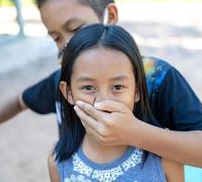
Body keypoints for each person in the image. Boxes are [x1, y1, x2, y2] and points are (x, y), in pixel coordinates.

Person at [0, 0, 202, 170]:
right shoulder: (64, 81)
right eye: (56, 37)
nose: (66, 45)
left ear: (110, 16)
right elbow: (19, 100)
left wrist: (136, 133)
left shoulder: (156, 77)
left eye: (75, 29)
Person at [48, 23, 184, 182]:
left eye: (118, 87)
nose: (103, 102)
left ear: (137, 90)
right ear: (68, 93)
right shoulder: (57, 162)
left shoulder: (167, 157)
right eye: (88, 87)